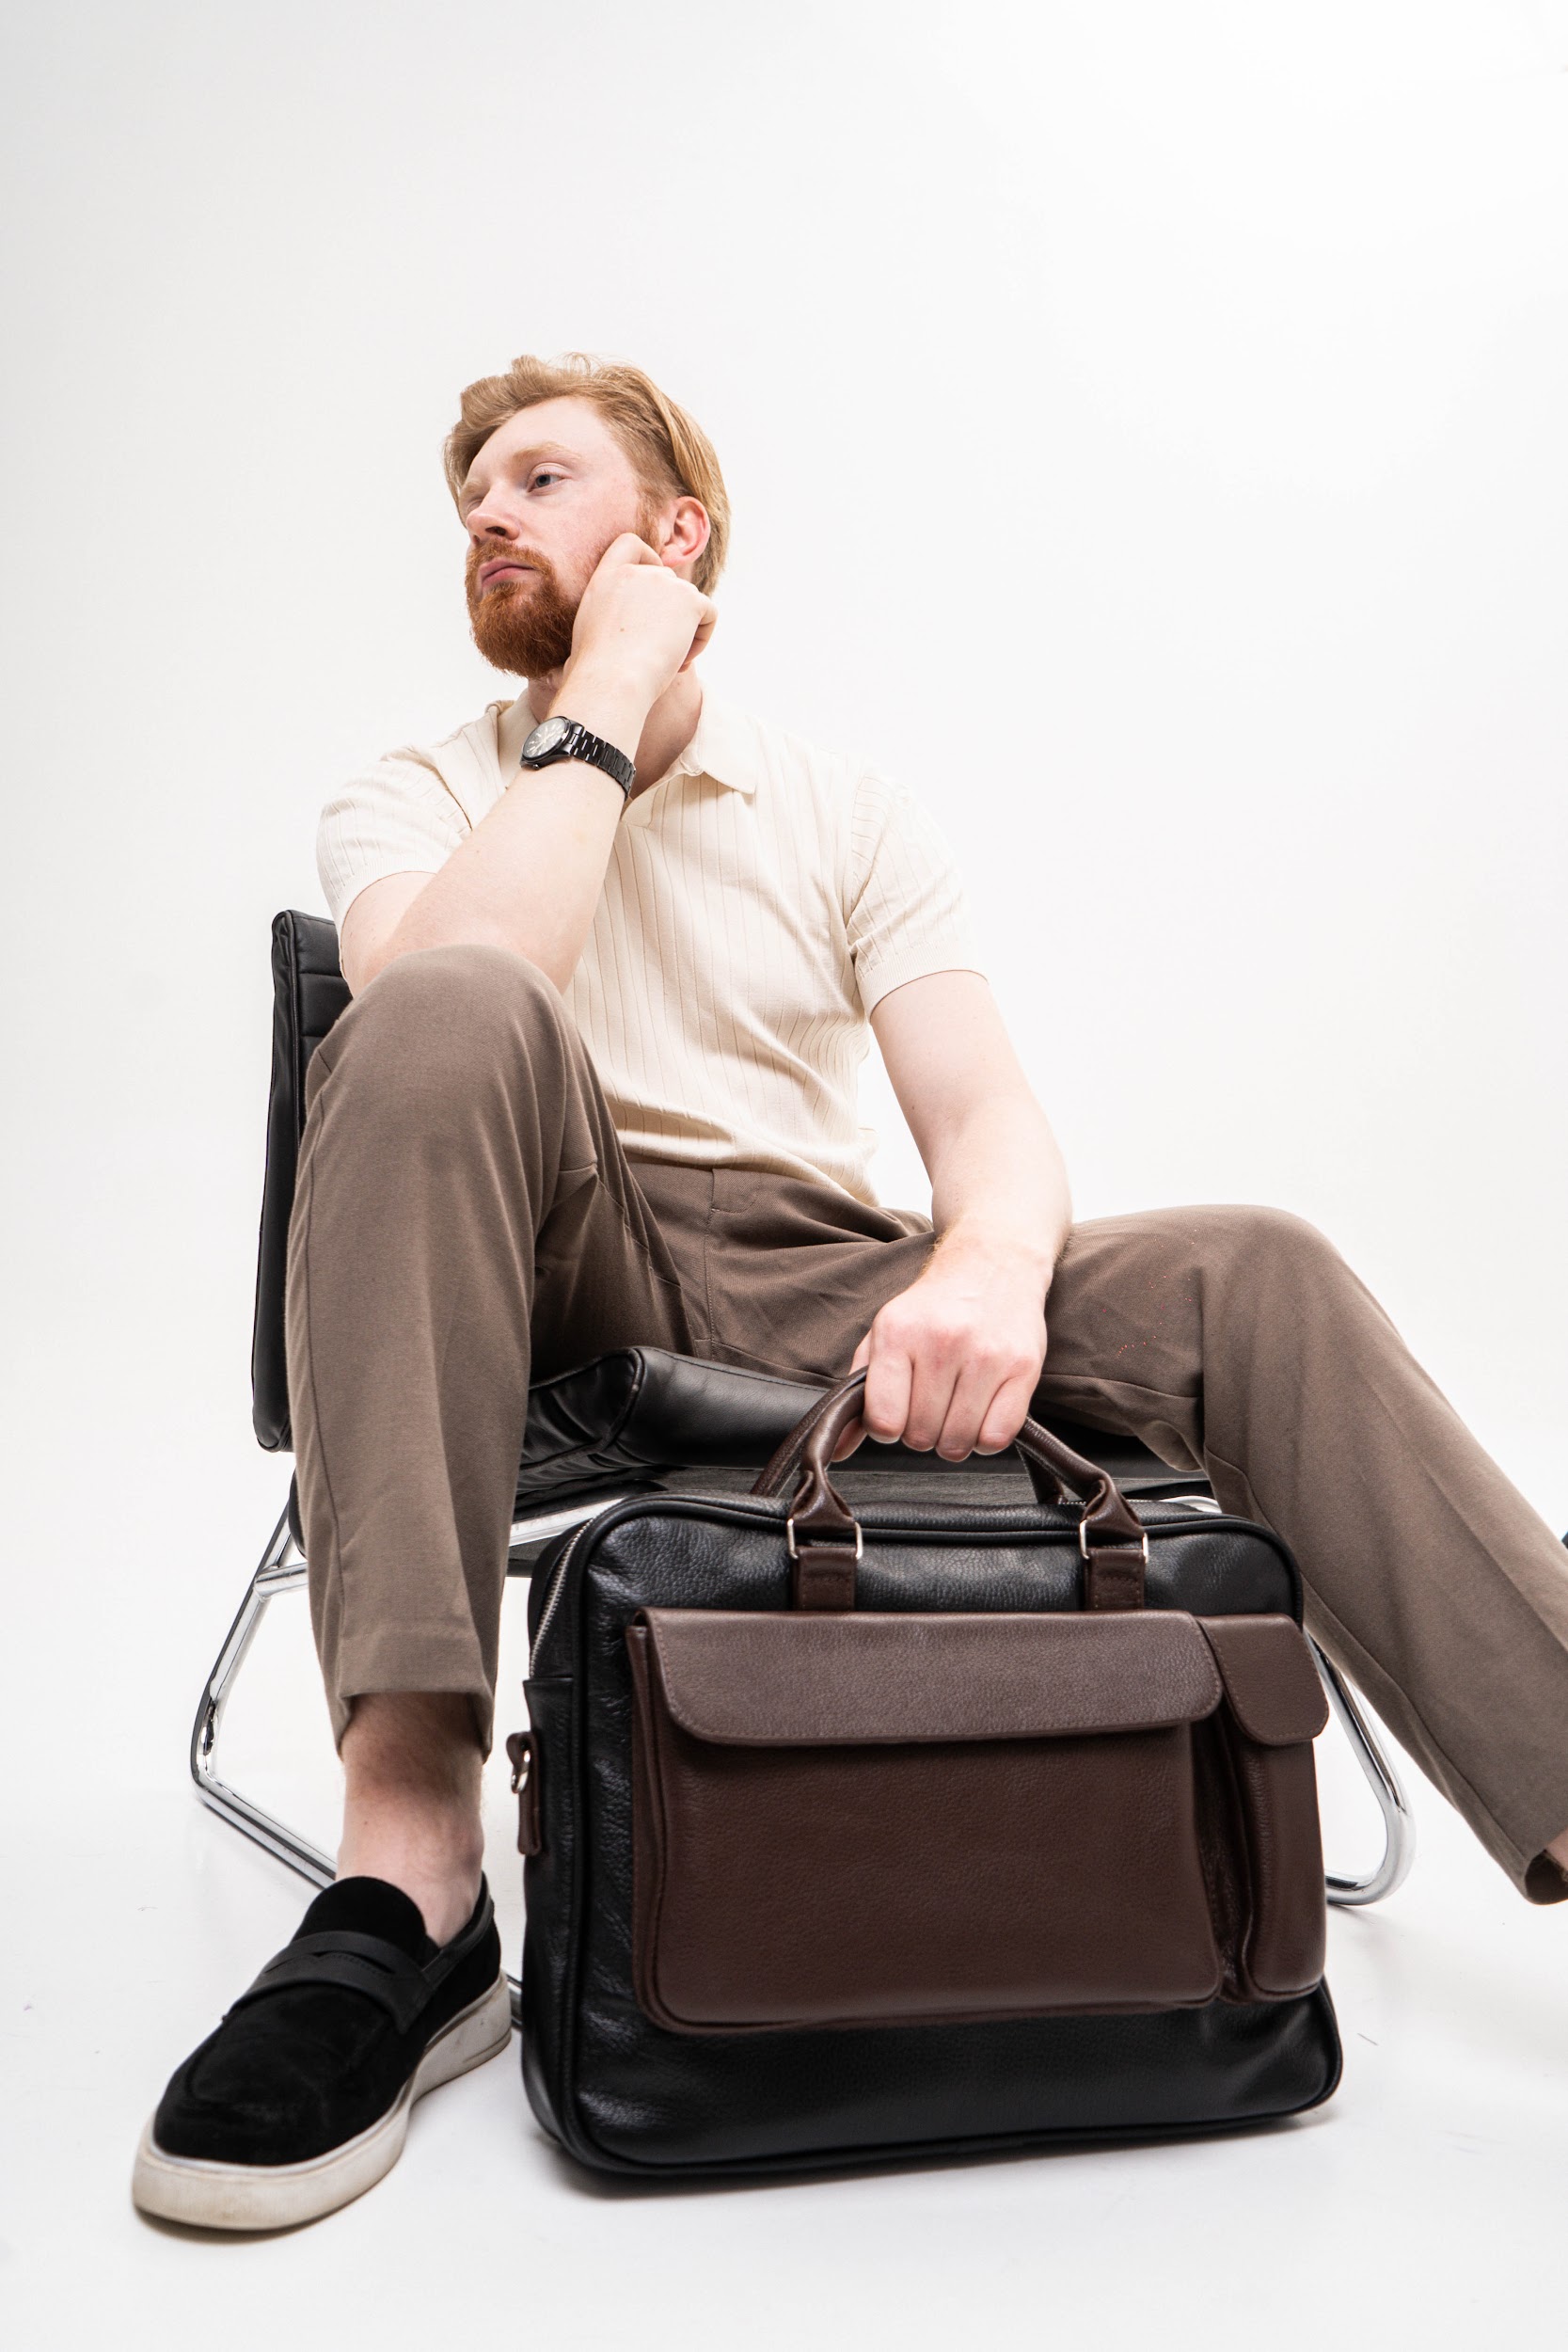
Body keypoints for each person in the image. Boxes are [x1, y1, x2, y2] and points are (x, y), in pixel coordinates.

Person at [132, 350, 1568, 2232]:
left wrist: (989, 1271)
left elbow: (988, 1119)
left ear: (676, 532)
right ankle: (409, 1881)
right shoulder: (414, 791)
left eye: (540, 477)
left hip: (831, 1273)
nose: (484, 511)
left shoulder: (841, 808)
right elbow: (457, 993)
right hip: (559, 1254)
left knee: (1259, 1268)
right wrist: (606, 691)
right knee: (445, 999)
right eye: (471, 492)